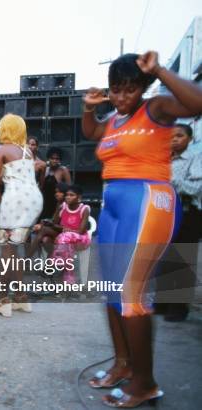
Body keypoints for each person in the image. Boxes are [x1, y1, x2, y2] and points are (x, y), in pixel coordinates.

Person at [82, 51, 202, 407]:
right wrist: (90, 107)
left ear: (143, 87)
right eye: (115, 90)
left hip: (148, 201)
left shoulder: (158, 108)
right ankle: (122, 364)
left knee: (133, 295)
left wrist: (160, 71)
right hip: (114, 203)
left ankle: (145, 383)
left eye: (129, 90)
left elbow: (197, 102)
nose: (121, 97)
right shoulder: (114, 121)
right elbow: (91, 132)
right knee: (110, 291)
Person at [0, 114, 43, 317]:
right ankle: (21, 298)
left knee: (7, 250)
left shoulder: (1, 150)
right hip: (33, 200)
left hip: (15, 199)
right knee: (15, 249)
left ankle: (2, 300)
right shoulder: (28, 151)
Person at [154, 123, 201, 321]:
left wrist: (170, 180)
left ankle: (179, 308)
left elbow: (195, 188)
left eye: (179, 136)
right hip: (165, 213)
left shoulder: (196, 157)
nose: (174, 139)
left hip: (188, 212)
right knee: (163, 258)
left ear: (189, 139)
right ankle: (162, 303)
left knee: (182, 259)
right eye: (171, 136)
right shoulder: (163, 158)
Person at [46, 184, 91, 284]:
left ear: (79, 197)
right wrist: (59, 207)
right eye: (67, 195)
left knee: (64, 236)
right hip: (66, 241)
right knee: (66, 244)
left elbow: (81, 231)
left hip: (82, 239)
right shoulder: (63, 207)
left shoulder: (85, 209)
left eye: (72, 195)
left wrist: (65, 230)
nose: (68, 197)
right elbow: (54, 223)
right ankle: (68, 277)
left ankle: (56, 261)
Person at [28, 182, 69, 258]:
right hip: (56, 230)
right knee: (45, 240)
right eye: (56, 192)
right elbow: (54, 221)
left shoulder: (65, 205)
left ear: (65, 193)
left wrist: (43, 225)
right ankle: (48, 266)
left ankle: (27, 257)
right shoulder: (59, 203)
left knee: (43, 230)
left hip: (65, 232)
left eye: (59, 192)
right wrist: (43, 223)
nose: (56, 194)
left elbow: (58, 224)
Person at [39, 147, 71, 219]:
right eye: (52, 158)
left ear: (60, 160)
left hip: (57, 202)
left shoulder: (63, 170)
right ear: (48, 158)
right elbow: (41, 186)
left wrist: (65, 202)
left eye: (57, 159)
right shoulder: (45, 169)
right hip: (45, 201)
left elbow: (69, 188)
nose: (54, 160)